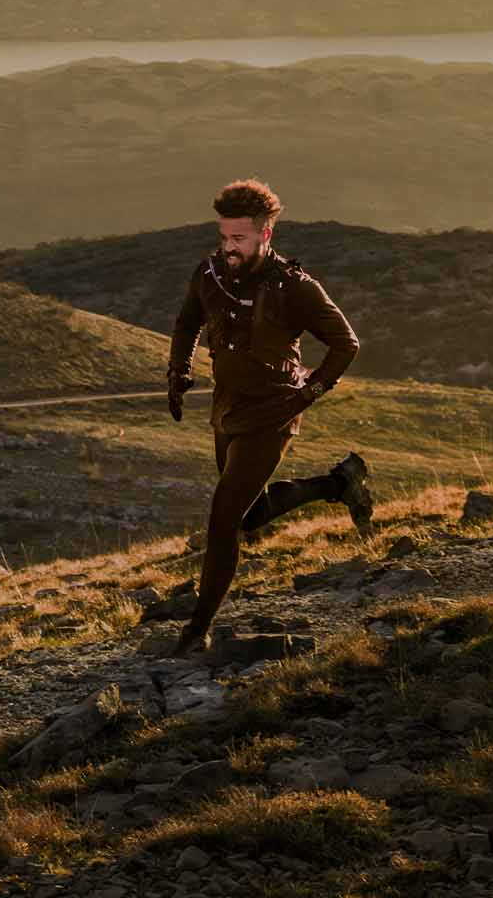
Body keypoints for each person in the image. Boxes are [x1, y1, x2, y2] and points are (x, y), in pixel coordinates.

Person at [159, 178, 374, 656]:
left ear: (265, 235)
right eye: (223, 237)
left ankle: (196, 631)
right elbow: (187, 322)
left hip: (274, 410)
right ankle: (337, 485)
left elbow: (346, 344)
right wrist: (178, 372)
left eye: (239, 239)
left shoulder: (294, 286)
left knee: (222, 520)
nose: (228, 248)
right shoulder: (209, 273)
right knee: (250, 516)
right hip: (227, 410)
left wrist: (306, 397)